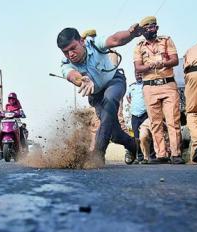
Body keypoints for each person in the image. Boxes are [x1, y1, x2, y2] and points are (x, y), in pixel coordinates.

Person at [57, 24, 144, 164]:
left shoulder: (94, 44)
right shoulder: (66, 64)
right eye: (66, 52)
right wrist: (81, 79)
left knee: (109, 101)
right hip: (97, 96)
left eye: (73, 48)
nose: (70, 54)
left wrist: (130, 34)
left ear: (81, 41)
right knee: (114, 133)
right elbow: (72, 75)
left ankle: (98, 154)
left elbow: (115, 39)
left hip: (114, 82)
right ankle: (134, 145)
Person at [134, 16, 184, 164]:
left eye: (154, 27)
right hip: (149, 87)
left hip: (168, 85)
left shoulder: (166, 40)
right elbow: (138, 67)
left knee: (173, 120)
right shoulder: (139, 46)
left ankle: (176, 154)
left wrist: (163, 63)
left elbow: (174, 60)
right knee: (155, 123)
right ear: (143, 30)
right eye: (148, 28)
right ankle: (161, 154)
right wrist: (150, 66)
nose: (152, 29)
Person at [126, 72, 148, 162]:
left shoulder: (146, 85)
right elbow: (128, 97)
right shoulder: (131, 87)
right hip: (135, 115)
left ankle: (149, 156)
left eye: (140, 74)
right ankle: (138, 155)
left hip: (145, 114)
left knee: (146, 135)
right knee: (136, 137)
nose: (139, 76)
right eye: (137, 74)